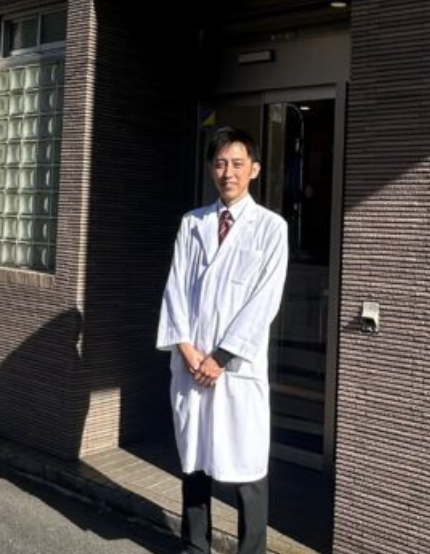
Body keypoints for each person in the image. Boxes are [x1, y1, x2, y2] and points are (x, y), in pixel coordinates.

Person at [156, 126, 289, 554]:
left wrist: (221, 357)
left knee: (247, 468)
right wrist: (186, 347)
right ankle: (194, 546)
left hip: (234, 368)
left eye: (236, 163)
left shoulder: (271, 228)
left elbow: (264, 300)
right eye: (219, 163)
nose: (227, 172)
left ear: (255, 169)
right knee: (194, 462)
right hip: (192, 362)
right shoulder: (192, 222)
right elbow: (175, 287)